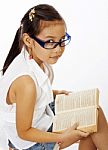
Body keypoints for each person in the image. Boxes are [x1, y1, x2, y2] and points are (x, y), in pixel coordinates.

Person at [0, 4, 108, 150]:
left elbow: (22, 99)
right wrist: (62, 137)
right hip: (31, 142)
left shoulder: (32, 58)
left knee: (94, 113)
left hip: (40, 115)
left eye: (62, 40)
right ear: (28, 40)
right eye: (50, 41)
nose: (58, 49)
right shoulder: (26, 82)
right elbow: (24, 132)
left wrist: (53, 93)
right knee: (89, 128)